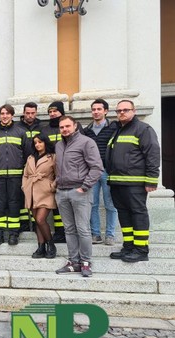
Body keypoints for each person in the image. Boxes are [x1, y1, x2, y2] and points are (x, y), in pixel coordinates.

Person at [106, 100, 160, 263]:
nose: (122, 113)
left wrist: (151, 180)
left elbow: (153, 154)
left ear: (134, 111)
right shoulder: (118, 130)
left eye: (126, 110)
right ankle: (129, 246)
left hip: (135, 183)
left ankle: (141, 249)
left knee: (138, 214)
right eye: (119, 111)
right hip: (117, 182)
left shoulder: (143, 129)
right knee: (124, 215)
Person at [54, 116, 103, 277]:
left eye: (67, 126)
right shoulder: (59, 145)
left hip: (79, 192)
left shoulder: (86, 142)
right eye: (62, 127)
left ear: (75, 126)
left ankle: (86, 262)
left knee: (83, 229)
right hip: (62, 192)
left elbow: (96, 167)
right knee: (69, 229)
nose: (65, 129)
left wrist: (84, 187)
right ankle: (73, 262)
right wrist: (56, 184)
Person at [0, 104, 27, 246]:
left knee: (14, 203)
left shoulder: (21, 132)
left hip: (16, 176)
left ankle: (14, 234)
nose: (4, 116)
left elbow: (27, 156)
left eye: (7, 113)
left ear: (12, 115)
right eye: (2, 113)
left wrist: (25, 176)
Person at [82, 98, 118, 246]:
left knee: (110, 204)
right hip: (92, 172)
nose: (96, 112)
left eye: (99, 109)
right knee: (93, 204)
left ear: (105, 111)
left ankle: (110, 235)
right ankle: (95, 234)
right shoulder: (87, 131)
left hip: (108, 171)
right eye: (94, 109)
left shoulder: (114, 127)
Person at [39, 101, 73, 243]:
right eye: (50, 111)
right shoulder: (44, 130)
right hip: (51, 172)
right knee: (56, 204)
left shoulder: (72, 128)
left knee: (68, 204)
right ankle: (59, 232)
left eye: (55, 111)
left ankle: (69, 231)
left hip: (70, 172)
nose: (52, 114)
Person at [22, 134, 58, 259]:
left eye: (40, 142)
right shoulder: (31, 157)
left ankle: (51, 244)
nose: (37, 144)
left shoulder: (52, 157)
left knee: (40, 219)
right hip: (31, 191)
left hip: (45, 191)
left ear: (45, 143)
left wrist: (52, 186)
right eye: (35, 142)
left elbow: (58, 174)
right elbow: (25, 174)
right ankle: (41, 247)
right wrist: (24, 186)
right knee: (37, 221)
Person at [15, 102, 43, 233]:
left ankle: (36, 224)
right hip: (21, 166)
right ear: (23, 113)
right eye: (27, 113)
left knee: (36, 197)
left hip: (37, 167)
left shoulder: (42, 127)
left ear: (36, 113)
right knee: (21, 196)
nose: (30, 115)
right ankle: (24, 224)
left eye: (33, 113)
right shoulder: (17, 127)